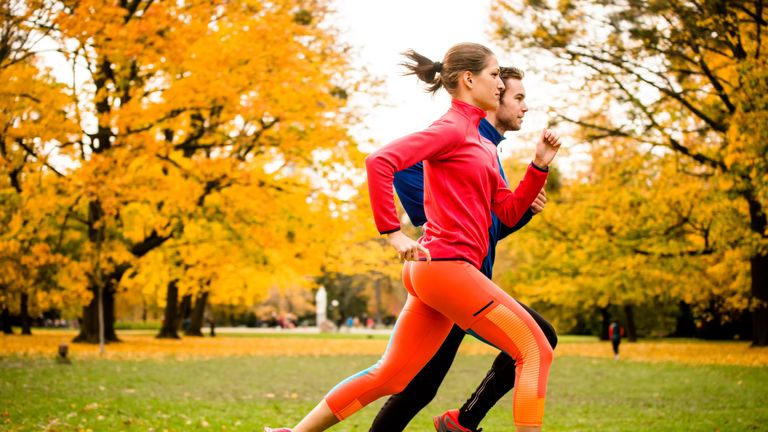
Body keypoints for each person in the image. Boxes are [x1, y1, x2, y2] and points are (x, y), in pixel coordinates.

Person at [265, 42, 561, 432]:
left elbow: (505, 211)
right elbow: (381, 162)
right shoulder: (451, 128)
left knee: (393, 377)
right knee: (535, 349)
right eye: (494, 76)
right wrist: (394, 233)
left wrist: (538, 166)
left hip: (439, 273)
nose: (500, 87)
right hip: (446, 268)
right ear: (470, 80)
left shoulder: (483, 142)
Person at [370, 66, 558, 432]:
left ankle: (462, 421)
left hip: (471, 281)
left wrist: (523, 210)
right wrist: (430, 219)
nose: (524, 106)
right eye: (516, 96)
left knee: (416, 388)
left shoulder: (488, 149)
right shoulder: (458, 138)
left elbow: (488, 229)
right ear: (493, 95)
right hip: (447, 279)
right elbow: (397, 170)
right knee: (412, 387)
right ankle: (462, 422)